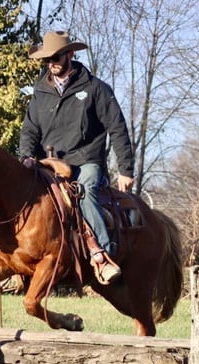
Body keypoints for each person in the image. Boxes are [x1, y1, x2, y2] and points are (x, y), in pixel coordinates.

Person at [19, 30, 135, 285]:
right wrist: (27, 157)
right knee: (22, 196)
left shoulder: (95, 89)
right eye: (47, 58)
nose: (52, 62)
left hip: (86, 162)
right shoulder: (39, 92)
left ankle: (103, 256)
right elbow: (29, 130)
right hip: (47, 164)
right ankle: (18, 264)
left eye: (57, 56)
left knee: (84, 192)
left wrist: (126, 170)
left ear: (70, 54)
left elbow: (117, 127)